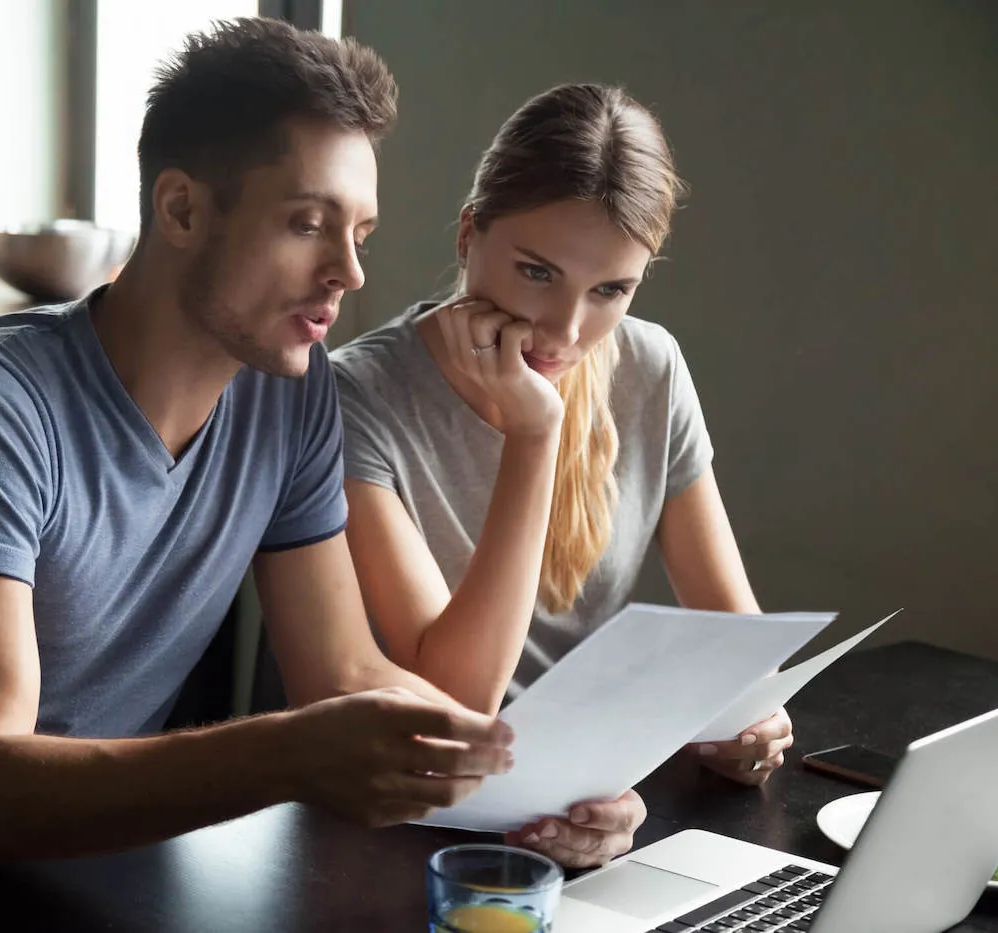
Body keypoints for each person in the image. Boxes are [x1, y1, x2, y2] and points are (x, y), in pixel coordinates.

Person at [0, 18, 516, 888]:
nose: (349, 271)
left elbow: (344, 670)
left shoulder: (292, 392)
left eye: (361, 235)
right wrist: (287, 753)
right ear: (182, 208)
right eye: (309, 223)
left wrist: (532, 786)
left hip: (89, 884)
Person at [331, 84, 792, 869]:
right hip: (392, 823)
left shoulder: (650, 368)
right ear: (469, 232)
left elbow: (737, 645)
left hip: (571, 799)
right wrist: (536, 434)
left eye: (611, 289)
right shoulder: (354, 395)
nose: (568, 330)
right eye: (537, 272)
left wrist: (751, 725)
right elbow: (457, 698)